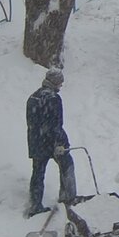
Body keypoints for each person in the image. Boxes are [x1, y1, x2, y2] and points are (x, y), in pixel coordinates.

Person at [25, 68, 77, 217]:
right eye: (60, 82)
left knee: (38, 172)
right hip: (52, 142)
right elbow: (55, 125)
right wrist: (61, 144)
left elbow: (32, 122)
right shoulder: (53, 98)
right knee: (67, 165)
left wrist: (37, 139)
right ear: (55, 82)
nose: (61, 85)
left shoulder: (33, 97)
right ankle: (68, 199)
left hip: (36, 141)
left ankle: (35, 205)